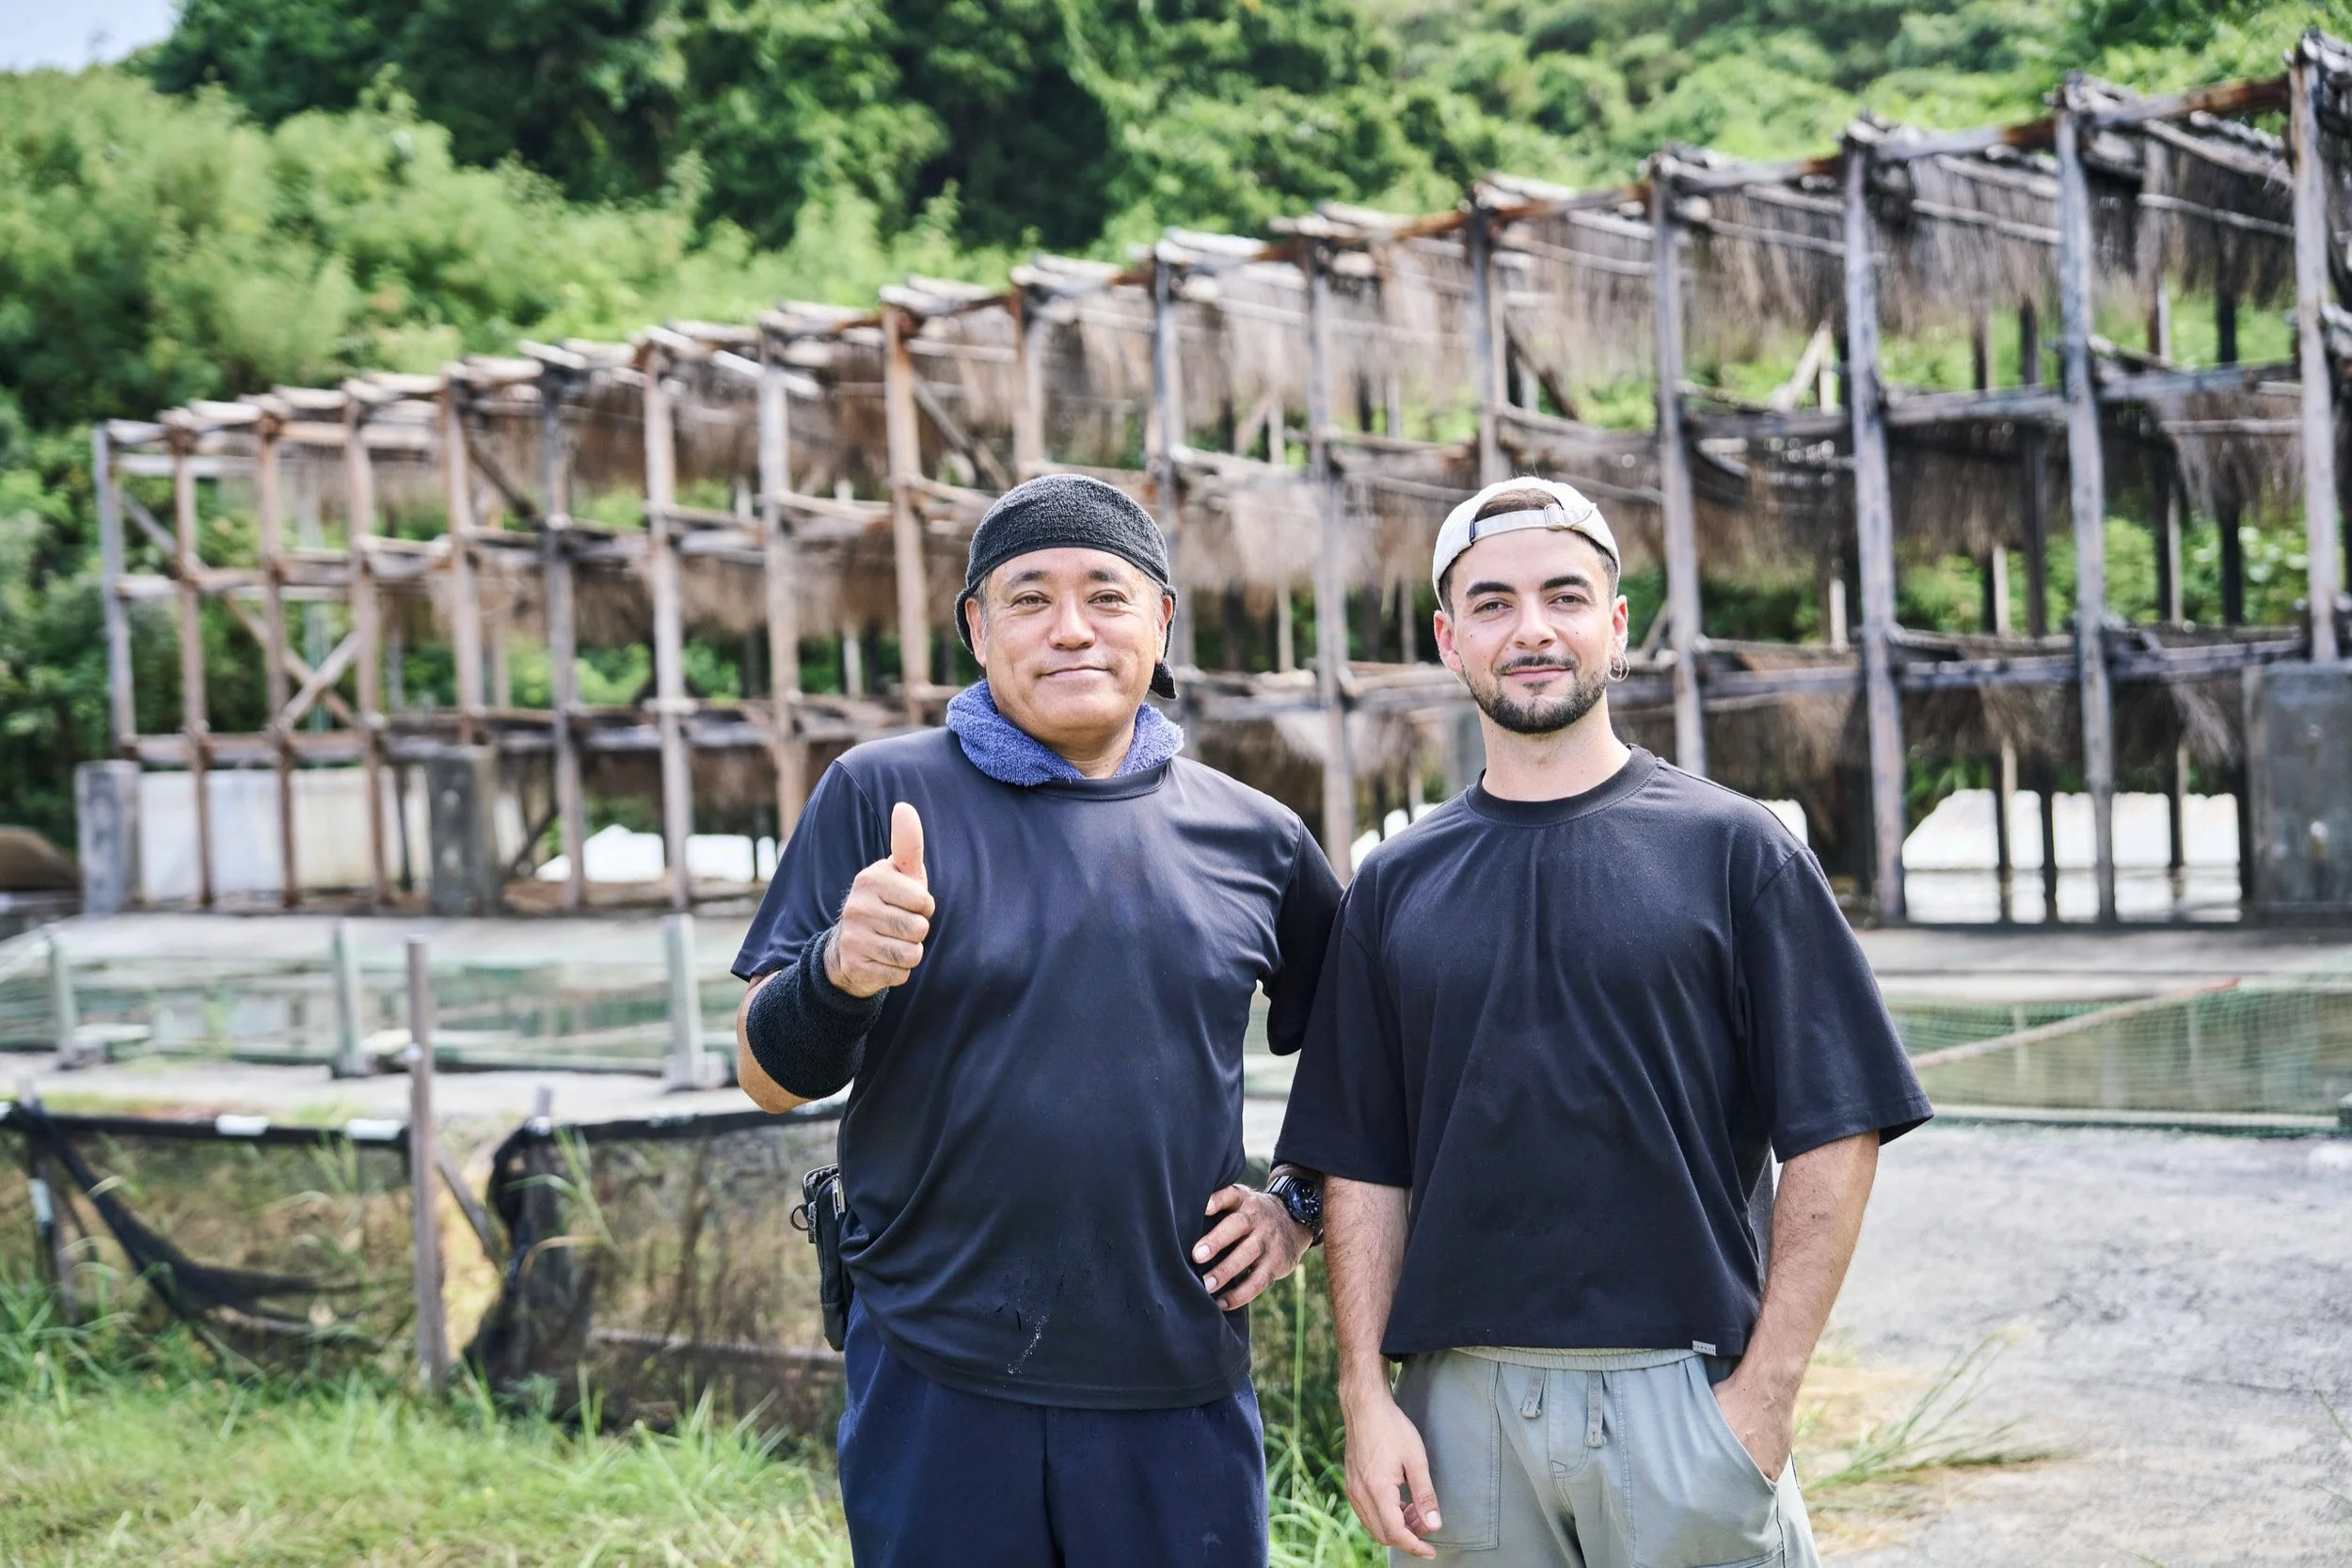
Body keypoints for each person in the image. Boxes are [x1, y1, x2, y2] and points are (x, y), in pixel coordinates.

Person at [1275, 477, 1932, 1566]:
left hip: (1682, 1395)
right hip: (1457, 1416)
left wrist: (1763, 1398)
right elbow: (1362, 1165)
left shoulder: (1738, 851)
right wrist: (1365, 1396)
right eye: (1490, 603)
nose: (1530, 629)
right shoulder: (1392, 885)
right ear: (1449, 638)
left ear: (1615, 625)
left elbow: (1835, 1128)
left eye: (1562, 595)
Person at [731, 473, 1340, 1568]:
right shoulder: (880, 794)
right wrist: (836, 970)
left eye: (1106, 595)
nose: (1070, 629)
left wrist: (1299, 1201)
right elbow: (766, 1076)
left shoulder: (1258, 837)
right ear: (975, 626)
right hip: (935, 1365)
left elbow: (1366, 1056)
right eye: (1027, 598)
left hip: (1176, 1371)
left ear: (1161, 620)